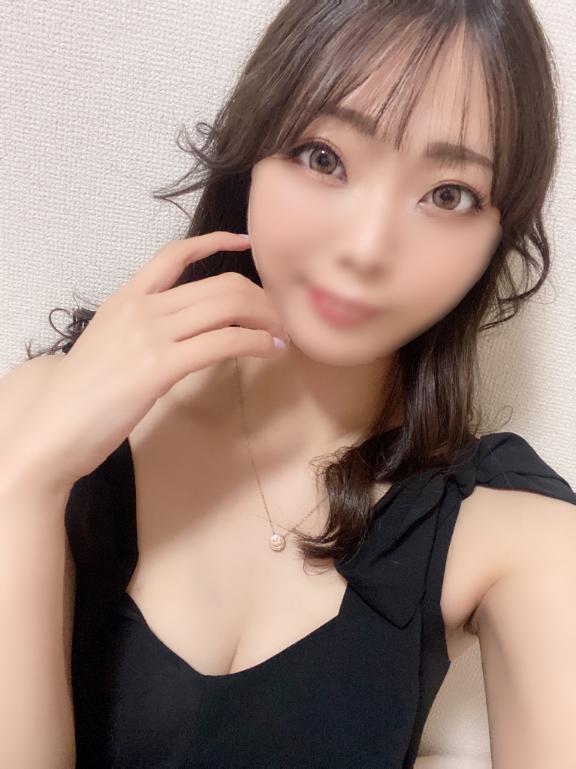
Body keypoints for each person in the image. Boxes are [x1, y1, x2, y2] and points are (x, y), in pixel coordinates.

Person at [3, 1, 575, 767]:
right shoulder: (49, 414)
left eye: (448, 195)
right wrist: (25, 487)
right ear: (254, 151)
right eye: (324, 156)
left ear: (496, 239)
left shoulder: (514, 532)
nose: (366, 247)